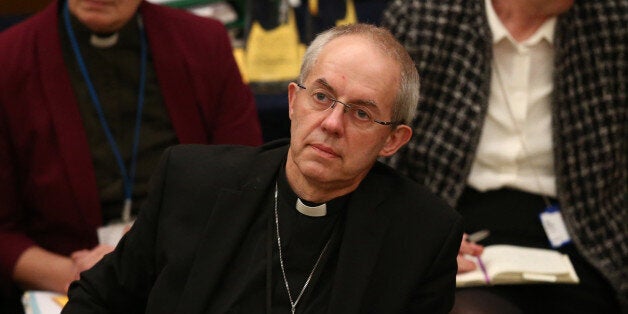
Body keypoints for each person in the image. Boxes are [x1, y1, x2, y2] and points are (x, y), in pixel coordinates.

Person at [61, 23, 464, 313]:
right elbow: (96, 300)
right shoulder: (190, 182)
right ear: (293, 101)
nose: (331, 124)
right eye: (321, 97)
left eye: (361, 113)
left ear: (393, 140)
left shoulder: (423, 234)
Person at [0, 0, 263, 312]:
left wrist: (155, 257)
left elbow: (244, 186)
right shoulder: (9, 57)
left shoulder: (204, 41)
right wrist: (82, 276)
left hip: (185, 267)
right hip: (67, 280)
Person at [382, 0, 627, 313]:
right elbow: (378, 153)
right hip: (451, 219)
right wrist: (419, 236)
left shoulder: (611, 22)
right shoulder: (426, 17)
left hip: (584, 234)